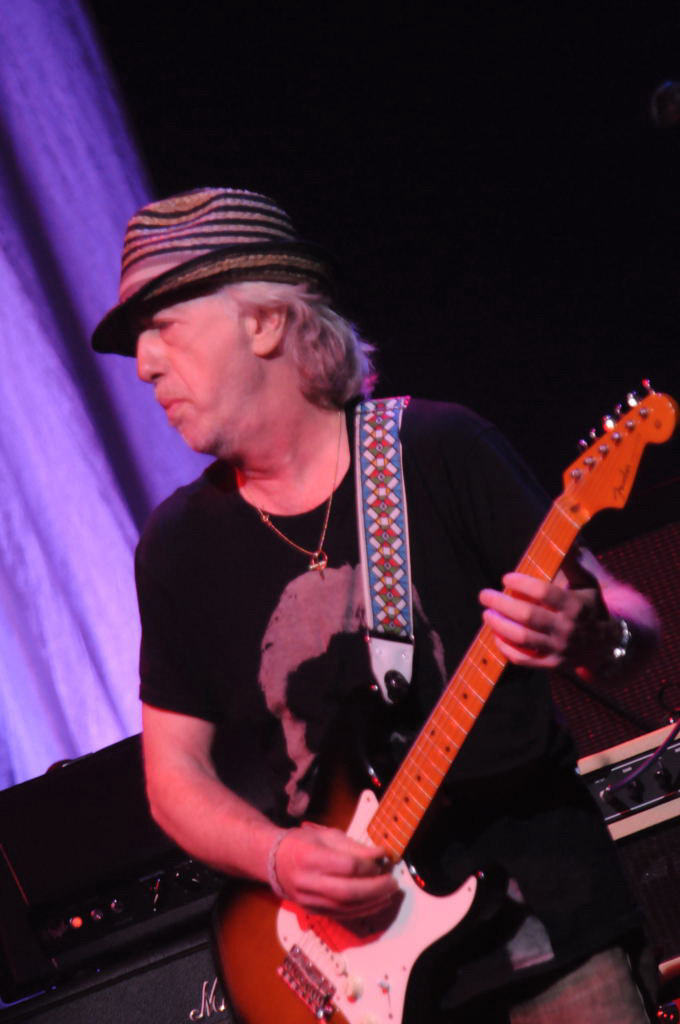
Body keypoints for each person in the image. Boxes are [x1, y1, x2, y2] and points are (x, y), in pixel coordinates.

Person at [92, 187, 660, 1022]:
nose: (143, 364)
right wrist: (278, 858)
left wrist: (594, 633)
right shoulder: (179, 546)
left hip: (554, 939)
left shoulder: (436, 449)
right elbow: (174, 779)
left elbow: (628, 618)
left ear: (265, 322)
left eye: (164, 326)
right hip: (356, 979)